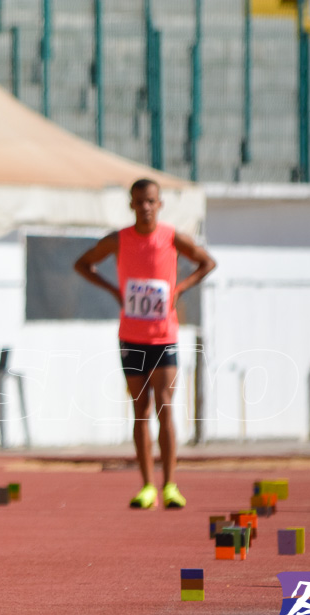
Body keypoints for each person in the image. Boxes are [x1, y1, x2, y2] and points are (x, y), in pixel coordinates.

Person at [73, 178, 216, 510]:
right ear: (131, 204)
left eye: (151, 201)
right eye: (139, 201)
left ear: (160, 203)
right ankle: (147, 486)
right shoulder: (119, 240)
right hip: (132, 336)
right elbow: (82, 264)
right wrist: (113, 290)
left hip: (164, 335)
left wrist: (180, 288)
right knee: (141, 409)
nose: (145, 207)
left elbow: (207, 262)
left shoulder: (171, 237)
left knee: (165, 404)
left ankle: (170, 485)